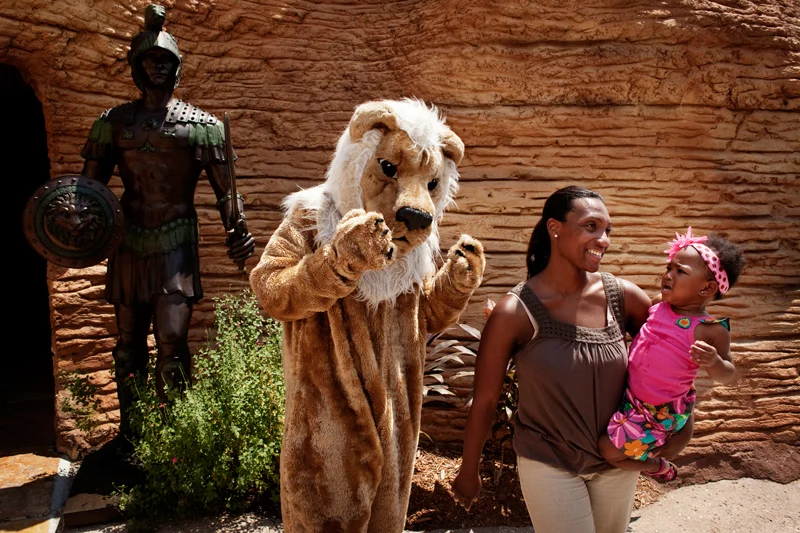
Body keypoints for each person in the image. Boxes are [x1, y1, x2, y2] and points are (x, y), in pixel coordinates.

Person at [79, 4, 255, 441]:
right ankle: (132, 437)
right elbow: (86, 194)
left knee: (173, 344)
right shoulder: (112, 125)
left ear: (176, 68)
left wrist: (238, 227)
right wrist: (75, 225)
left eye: (165, 60)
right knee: (127, 349)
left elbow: (225, 190)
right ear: (136, 67)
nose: (157, 66)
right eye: (149, 60)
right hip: (129, 241)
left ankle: (175, 441)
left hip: (176, 242)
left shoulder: (203, 127)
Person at [451, 185, 669, 533]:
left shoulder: (622, 297)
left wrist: (672, 429)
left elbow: (668, 359)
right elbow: (487, 399)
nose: (603, 239)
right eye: (591, 226)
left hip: (616, 459)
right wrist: (469, 471)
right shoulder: (515, 312)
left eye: (607, 230)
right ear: (555, 228)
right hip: (548, 461)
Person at [598, 228, 745, 481]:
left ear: (707, 288)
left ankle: (657, 467)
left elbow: (728, 374)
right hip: (630, 394)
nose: (668, 275)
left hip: (657, 411)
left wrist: (713, 361)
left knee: (609, 452)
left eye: (681, 272)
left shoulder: (711, 329)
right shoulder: (658, 305)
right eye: (670, 268)